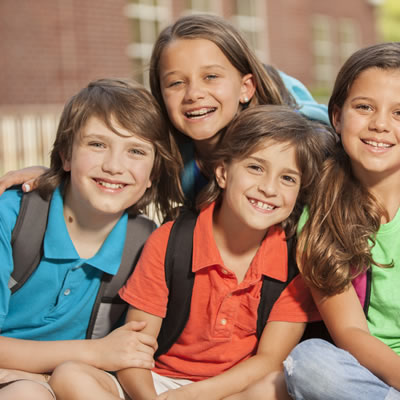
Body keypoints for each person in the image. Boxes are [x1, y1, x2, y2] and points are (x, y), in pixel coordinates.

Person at [48, 105, 327, 400]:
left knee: (277, 386)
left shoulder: (294, 263)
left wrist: (194, 396)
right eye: (255, 167)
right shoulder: (170, 241)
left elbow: (268, 361)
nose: (269, 188)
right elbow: (133, 349)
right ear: (222, 173)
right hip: (157, 384)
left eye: (288, 178)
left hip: (231, 391)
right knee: (69, 375)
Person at [0, 14, 330, 204]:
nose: (194, 94)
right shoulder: (172, 160)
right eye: (175, 83)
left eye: (211, 77)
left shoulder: (304, 144)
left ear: (246, 88)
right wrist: (56, 177)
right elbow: (113, 175)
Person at [0, 78, 183, 399]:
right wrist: (96, 352)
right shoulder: (12, 216)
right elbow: (107, 352)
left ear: (154, 172)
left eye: (136, 151)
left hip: (72, 383)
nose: (114, 166)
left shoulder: (146, 244)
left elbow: (130, 351)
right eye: (97, 144)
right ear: (66, 155)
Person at [282, 42, 400, 400]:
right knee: (309, 363)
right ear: (336, 116)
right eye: (364, 107)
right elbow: (350, 333)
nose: (380, 124)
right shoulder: (323, 215)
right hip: (369, 373)